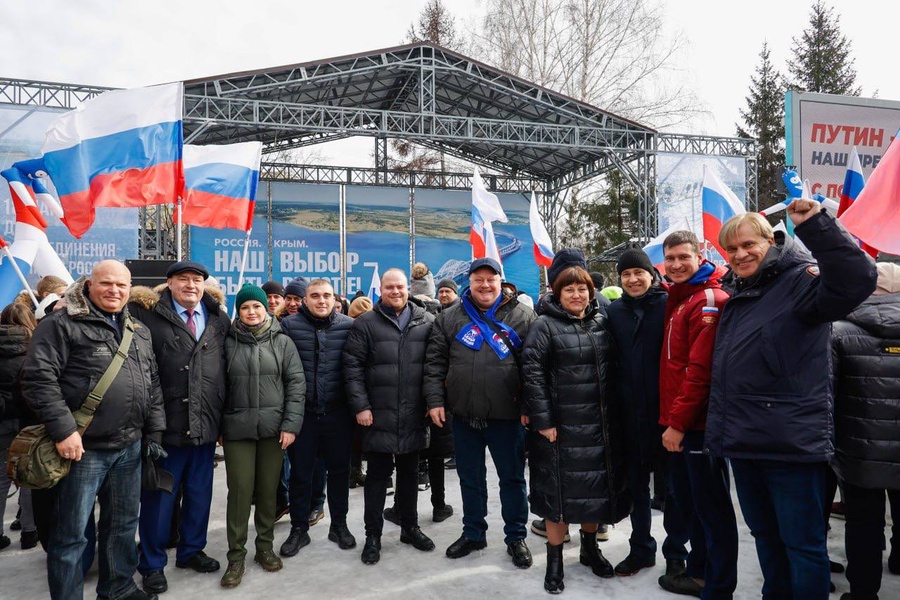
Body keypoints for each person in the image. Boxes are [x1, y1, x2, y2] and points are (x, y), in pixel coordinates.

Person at [705, 204, 877, 599]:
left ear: (771, 241)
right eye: (730, 249)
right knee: (766, 538)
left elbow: (857, 277)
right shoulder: (743, 291)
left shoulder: (800, 281)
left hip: (788, 445)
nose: (740, 254)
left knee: (802, 545)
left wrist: (817, 226)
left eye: (748, 244)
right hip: (745, 442)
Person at [21, 260, 164, 600]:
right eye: (107, 284)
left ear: (130, 290)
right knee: (71, 535)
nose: (114, 290)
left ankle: (119, 588)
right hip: (82, 450)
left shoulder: (139, 330)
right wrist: (63, 431)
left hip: (129, 447)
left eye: (121, 285)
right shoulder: (62, 324)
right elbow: (38, 379)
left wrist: (154, 433)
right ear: (89, 284)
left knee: (122, 527)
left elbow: (152, 383)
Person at [522, 254, 629, 594]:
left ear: (592, 291)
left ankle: (589, 549)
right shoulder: (544, 325)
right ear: (557, 293)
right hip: (560, 428)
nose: (577, 295)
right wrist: (544, 420)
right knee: (558, 496)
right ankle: (554, 561)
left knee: (593, 492)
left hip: (599, 427)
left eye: (582, 288)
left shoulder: (602, 320)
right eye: (569, 289)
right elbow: (532, 374)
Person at [425, 257, 536, 569]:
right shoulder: (449, 317)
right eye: (478, 280)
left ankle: (515, 536)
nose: (485, 285)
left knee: (512, 479)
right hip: (463, 414)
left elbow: (535, 367)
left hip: (507, 415)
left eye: (491, 279)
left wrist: (529, 406)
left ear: (501, 281)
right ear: (469, 283)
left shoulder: (523, 315)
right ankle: (474, 532)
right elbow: (434, 363)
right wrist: (435, 401)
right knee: (469, 478)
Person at [129, 260, 230, 595]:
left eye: (197, 280)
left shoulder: (217, 319)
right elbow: (143, 374)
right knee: (160, 499)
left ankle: (191, 550)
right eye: (183, 279)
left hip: (205, 426)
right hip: (166, 428)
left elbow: (227, 370)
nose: (191, 285)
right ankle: (152, 564)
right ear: (169, 283)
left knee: (200, 495)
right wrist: (151, 427)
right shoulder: (147, 316)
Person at [658, 230, 738, 599]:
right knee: (693, 502)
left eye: (682, 257)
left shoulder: (707, 299)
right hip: (684, 424)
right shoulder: (683, 298)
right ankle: (700, 569)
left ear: (699, 256)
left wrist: (678, 423)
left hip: (697, 426)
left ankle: (714, 582)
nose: (675, 264)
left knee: (711, 508)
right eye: (669, 258)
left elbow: (699, 371)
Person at [606, 246, 690, 579]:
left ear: (651, 274)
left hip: (666, 414)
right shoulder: (613, 312)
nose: (632, 279)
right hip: (629, 415)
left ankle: (676, 552)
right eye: (626, 274)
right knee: (636, 488)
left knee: (672, 490)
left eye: (638, 272)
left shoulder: (669, 305)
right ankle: (641, 549)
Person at [343, 268, 436, 565]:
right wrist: (361, 406)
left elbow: (435, 368)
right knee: (377, 479)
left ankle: (410, 526)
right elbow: (352, 369)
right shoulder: (365, 325)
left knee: (409, 476)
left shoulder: (426, 322)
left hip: (413, 415)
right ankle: (373, 535)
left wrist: (431, 402)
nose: (395, 292)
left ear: (407, 288)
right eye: (389, 287)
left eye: (399, 286)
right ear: (380, 290)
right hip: (377, 416)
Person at [219, 284, 305, 588]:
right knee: (240, 491)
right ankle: (236, 555)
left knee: (269, 491)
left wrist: (290, 425)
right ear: (239, 311)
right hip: (237, 430)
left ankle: (264, 546)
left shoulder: (282, 342)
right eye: (245, 307)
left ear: (266, 309)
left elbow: (296, 386)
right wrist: (220, 427)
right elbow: (217, 388)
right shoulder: (226, 343)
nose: (252, 312)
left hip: (273, 430)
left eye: (256, 306)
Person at [831, 261, 900, 600]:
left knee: (863, 524)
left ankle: (863, 592)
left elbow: (827, 392)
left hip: (858, 451)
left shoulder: (840, 330)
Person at [279, 279, 357, 557]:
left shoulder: (349, 326)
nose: (321, 300)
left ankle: (339, 525)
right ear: (305, 300)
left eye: (326, 295)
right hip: (304, 416)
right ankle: (299, 529)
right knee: (301, 475)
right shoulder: (288, 327)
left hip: (338, 415)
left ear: (334, 298)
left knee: (339, 473)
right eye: (315, 296)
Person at [0, 303, 39, 551]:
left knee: (0, 481)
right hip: (29, 423)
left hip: (1, 423)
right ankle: (29, 531)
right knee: (28, 478)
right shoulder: (36, 349)